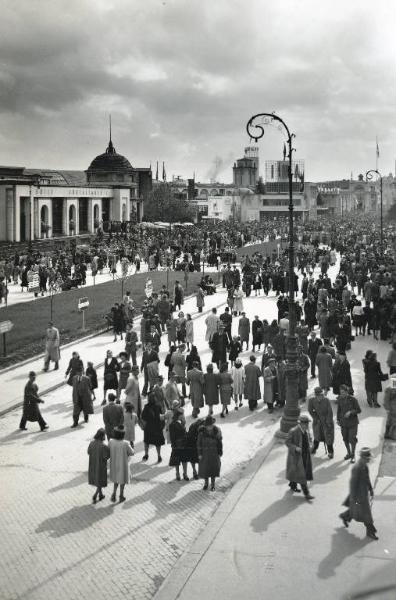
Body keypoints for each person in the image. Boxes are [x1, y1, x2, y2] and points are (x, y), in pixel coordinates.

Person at [339, 447, 378, 540]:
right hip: (358, 496)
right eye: (368, 458)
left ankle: (345, 516)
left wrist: (371, 489)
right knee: (366, 513)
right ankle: (370, 531)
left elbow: (367, 479)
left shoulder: (365, 466)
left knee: (356, 510)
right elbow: (352, 484)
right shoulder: (357, 468)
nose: (369, 460)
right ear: (363, 458)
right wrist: (353, 498)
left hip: (363, 494)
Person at [285, 415, 314, 500]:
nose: (307, 425)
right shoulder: (293, 431)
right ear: (301, 423)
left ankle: (292, 484)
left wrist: (311, 444)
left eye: (307, 423)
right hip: (296, 457)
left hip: (305, 455)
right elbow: (287, 442)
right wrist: (295, 448)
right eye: (305, 423)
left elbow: (309, 439)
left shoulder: (306, 431)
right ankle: (307, 494)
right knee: (302, 474)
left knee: (296, 472)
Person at [109, 425, 134, 503]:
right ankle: (121, 495)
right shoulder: (125, 443)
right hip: (123, 464)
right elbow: (132, 453)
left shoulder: (111, 441)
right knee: (122, 480)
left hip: (114, 463)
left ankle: (114, 493)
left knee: (116, 479)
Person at [308, 386, 335, 458]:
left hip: (327, 421)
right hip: (318, 421)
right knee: (317, 435)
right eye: (318, 395)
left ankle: (331, 452)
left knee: (328, 437)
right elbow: (310, 410)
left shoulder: (326, 400)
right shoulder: (311, 400)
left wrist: (328, 421)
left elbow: (330, 412)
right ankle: (314, 448)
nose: (320, 396)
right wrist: (316, 417)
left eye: (321, 395)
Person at [337, 384, 361, 463]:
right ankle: (349, 453)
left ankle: (353, 455)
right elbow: (339, 410)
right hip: (343, 423)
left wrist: (350, 412)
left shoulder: (353, 399)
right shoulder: (340, 399)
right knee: (345, 439)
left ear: (347, 392)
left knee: (352, 439)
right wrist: (338, 419)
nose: (342, 394)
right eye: (341, 392)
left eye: (343, 392)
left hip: (353, 423)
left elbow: (359, 410)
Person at [197, 415, 223, 491]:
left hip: (214, 453)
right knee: (205, 469)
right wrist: (199, 454)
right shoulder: (201, 433)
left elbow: (220, 442)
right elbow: (199, 444)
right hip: (205, 454)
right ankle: (206, 484)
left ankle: (213, 485)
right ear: (206, 426)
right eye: (208, 426)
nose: (210, 427)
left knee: (213, 469)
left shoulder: (217, 431)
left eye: (211, 425)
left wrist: (220, 451)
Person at [141, 392, 165, 462]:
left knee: (147, 441)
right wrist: (162, 425)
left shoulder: (146, 407)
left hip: (149, 427)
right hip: (157, 427)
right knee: (157, 443)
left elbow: (143, 417)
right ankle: (159, 456)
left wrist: (144, 426)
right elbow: (162, 416)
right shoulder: (158, 406)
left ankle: (146, 454)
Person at [87, 428, 110, 503]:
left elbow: (88, 452)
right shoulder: (104, 446)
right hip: (101, 466)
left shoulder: (91, 443)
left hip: (93, 464)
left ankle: (100, 494)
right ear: (102, 436)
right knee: (100, 480)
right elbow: (107, 456)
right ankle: (96, 494)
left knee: (97, 479)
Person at [169, 410, 190, 481]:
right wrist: (174, 445)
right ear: (179, 415)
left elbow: (184, 433)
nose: (183, 416)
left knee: (184, 460)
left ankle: (185, 474)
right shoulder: (172, 424)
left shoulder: (181, 422)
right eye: (182, 415)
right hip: (177, 445)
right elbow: (172, 436)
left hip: (183, 444)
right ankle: (178, 474)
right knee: (177, 460)